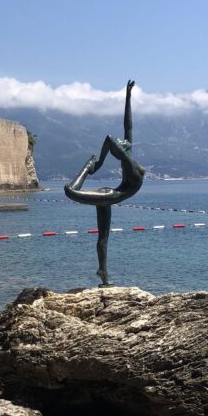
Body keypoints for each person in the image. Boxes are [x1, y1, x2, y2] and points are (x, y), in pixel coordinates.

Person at [64, 79, 145, 285]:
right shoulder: (129, 157)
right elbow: (127, 126)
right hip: (109, 194)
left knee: (69, 191)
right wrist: (127, 97)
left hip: (111, 196)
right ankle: (103, 273)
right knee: (103, 237)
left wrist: (96, 165)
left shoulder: (131, 163)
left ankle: (85, 168)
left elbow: (112, 138)